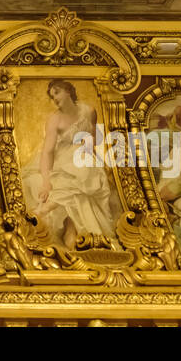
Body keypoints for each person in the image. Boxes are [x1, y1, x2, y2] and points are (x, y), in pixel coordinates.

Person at [34, 79, 118, 249]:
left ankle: (62, 225)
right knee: (79, 169)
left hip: (85, 161)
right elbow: (48, 151)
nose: (54, 98)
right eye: (51, 96)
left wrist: (98, 163)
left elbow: (93, 141)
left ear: (68, 91)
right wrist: (46, 181)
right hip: (63, 162)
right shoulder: (54, 120)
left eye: (57, 92)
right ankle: (46, 209)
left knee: (76, 215)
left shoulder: (89, 111)